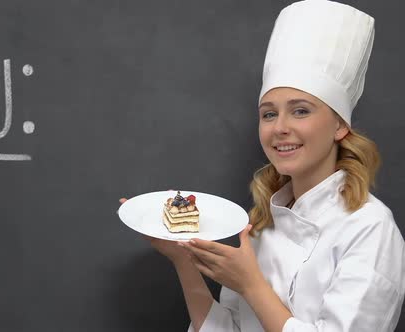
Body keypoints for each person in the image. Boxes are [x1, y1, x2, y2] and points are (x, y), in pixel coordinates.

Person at [120, 1, 405, 331]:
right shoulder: (261, 223)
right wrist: (183, 260)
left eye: (300, 111)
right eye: (269, 113)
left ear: (339, 126)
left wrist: (251, 285)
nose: (279, 127)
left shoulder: (370, 228)